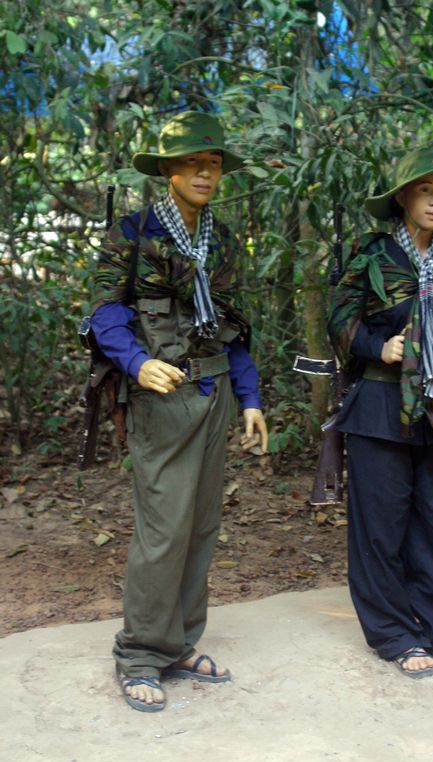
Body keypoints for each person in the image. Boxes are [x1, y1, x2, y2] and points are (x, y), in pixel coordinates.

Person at [90, 111, 268, 711]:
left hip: (214, 392)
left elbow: (233, 329)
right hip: (161, 399)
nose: (204, 171)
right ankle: (141, 652)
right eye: (192, 161)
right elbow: (103, 310)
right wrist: (136, 362)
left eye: (212, 162)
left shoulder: (219, 237)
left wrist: (251, 398)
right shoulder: (134, 231)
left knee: (200, 527)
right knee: (164, 528)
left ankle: (180, 643)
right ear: (167, 169)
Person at [328, 147, 433, 678]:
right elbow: (339, 318)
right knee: (382, 524)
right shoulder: (371, 251)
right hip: (380, 403)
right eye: (426, 190)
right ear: (403, 198)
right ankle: (395, 635)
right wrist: (380, 348)